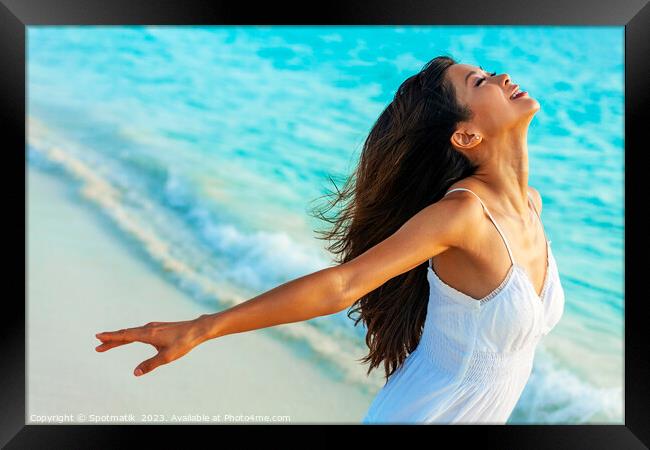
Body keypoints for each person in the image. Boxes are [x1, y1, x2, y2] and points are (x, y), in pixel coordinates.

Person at [94, 55, 565, 424]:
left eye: (484, 74)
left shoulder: (531, 205)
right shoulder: (462, 215)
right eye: (480, 82)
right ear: (465, 135)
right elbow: (342, 286)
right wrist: (201, 328)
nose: (501, 75)